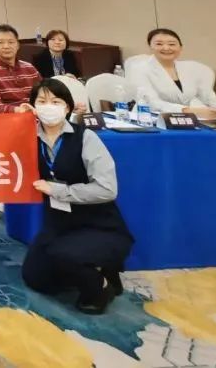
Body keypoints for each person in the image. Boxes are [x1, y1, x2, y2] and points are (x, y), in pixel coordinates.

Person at [23, 79, 133, 314]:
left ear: (67, 107)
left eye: (56, 101)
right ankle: (97, 269)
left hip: (98, 224)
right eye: (41, 101)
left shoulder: (86, 138)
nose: (48, 107)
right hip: (59, 223)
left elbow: (107, 189)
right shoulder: (28, 137)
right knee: (36, 278)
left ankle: (101, 286)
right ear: (33, 106)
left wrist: (58, 191)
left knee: (64, 256)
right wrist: (15, 121)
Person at [127, 28, 216, 117]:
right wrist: (187, 110)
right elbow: (150, 102)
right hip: (149, 120)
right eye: (159, 44)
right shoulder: (138, 69)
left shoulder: (191, 68)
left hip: (187, 120)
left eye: (172, 44)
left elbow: (208, 97)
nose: (166, 48)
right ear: (150, 47)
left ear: (180, 47)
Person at [0, 24, 41, 114]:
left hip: (35, 115)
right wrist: (18, 110)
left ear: (18, 45)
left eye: (11, 42)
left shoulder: (29, 68)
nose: (6, 46)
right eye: (0, 42)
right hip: (7, 119)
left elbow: (44, 94)